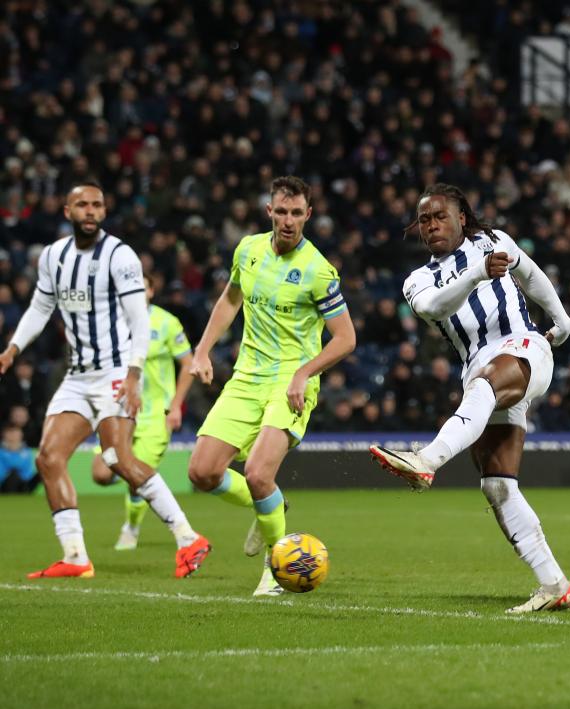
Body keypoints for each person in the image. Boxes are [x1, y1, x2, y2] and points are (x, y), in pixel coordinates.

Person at [368, 183, 570, 614]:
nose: (431, 226)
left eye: (439, 216)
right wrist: (478, 273)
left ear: (461, 216)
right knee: (498, 484)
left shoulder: (494, 240)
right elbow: (432, 309)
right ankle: (554, 584)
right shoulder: (419, 279)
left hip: (524, 349)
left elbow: (532, 275)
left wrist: (561, 319)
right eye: (424, 219)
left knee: (484, 382)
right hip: (480, 372)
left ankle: (426, 460)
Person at [0, 181, 210, 579]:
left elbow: (138, 319)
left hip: (115, 371)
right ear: (68, 211)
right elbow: (41, 307)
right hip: (78, 376)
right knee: (48, 457)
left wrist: (133, 375)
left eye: (97, 204)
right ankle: (76, 556)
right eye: (82, 204)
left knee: (118, 460)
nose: (91, 210)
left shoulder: (120, 256)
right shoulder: (53, 256)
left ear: (104, 210)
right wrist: (12, 349)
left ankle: (189, 538)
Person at [186, 176, 356, 597]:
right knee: (202, 472)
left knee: (259, 474)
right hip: (247, 375)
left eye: (297, 213)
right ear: (269, 212)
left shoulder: (319, 271)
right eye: (281, 211)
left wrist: (303, 373)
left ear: (308, 215)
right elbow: (230, 299)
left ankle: (276, 565)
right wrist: (203, 350)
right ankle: (273, 507)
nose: (288, 220)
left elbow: (346, 338)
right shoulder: (248, 250)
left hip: (290, 382)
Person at [90, 274, 195, 551]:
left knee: (137, 476)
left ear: (151, 291)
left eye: (142, 287)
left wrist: (175, 405)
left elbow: (188, 364)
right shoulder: (110, 323)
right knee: (101, 473)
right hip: (118, 411)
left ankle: (132, 528)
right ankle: (132, 491)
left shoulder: (167, 322)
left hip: (154, 417)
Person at [0, 424, 38, 493]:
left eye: (16, 432)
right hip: (4, 484)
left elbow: (29, 472)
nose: (13, 436)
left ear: (21, 434)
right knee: (13, 474)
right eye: (10, 432)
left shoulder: (30, 452)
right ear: (4, 435)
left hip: (25, 484)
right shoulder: (1, 452)